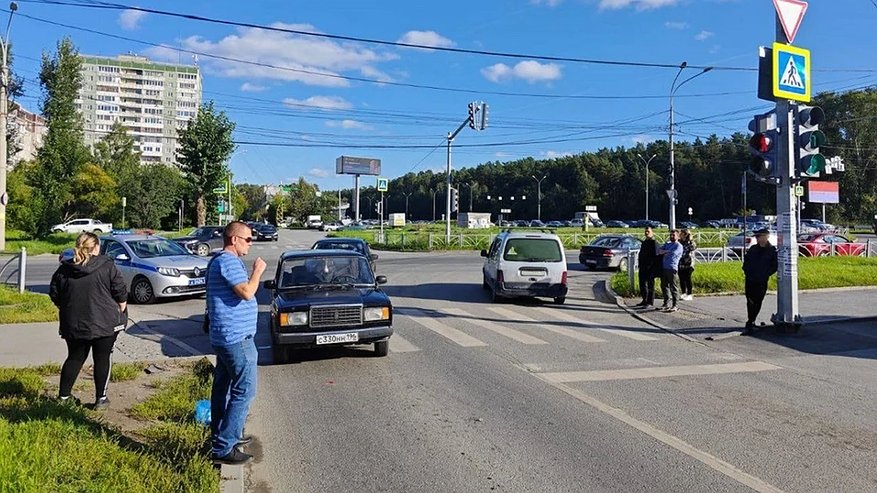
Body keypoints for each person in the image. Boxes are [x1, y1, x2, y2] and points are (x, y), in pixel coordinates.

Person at [207, 221, 267, 465]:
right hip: (236, 338)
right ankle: (224, 447)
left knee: (222, 386)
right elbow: (246, 292)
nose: (251, 244)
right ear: (234, 239)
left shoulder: (220, 261)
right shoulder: (228, 261)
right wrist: (258, 272)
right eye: (248, 239)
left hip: (227, 336)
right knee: (245, 389)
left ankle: (222, 434)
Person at [49, 232, 128, 410]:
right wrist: (122, 306)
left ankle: (63, 397)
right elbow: (120, 290)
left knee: (75, 357)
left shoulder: (64, 269)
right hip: (105, 322)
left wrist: (67, 308)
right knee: (102, 358)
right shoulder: (107, 266)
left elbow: (55, 294)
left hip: (74, 323)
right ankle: (101, 399)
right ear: (97, 247)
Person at [742, 228, 778, 335]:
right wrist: (747, 272)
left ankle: (751, 321)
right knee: (750, 301)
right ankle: (750, 321)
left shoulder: (771, 251)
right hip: (750, 279)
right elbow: (746, 262)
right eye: (757, 237)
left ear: (766, 237)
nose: (758, 239)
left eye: (760, 237)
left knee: (758, 301)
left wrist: (765, 274)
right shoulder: (753, 249)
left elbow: (774, 266)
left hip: (761, 280)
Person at [656, 229, 684, 312]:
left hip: (672, 268)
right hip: (664, 268)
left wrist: (664, 252)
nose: (671, 236)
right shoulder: (667, 244)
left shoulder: (678, 246)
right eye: (671, 235)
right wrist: (665, 251)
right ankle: (666, 303)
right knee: (664, 286)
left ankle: (675, 305)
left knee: (674, 287)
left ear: (678, 237)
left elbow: (672, 254)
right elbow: (658, 251)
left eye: (673, 235)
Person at [634, 227, 660, 308]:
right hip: (642, 267)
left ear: (652, 233)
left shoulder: (654, 242)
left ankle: (650, 302)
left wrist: (654, 267)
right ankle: (644, 300)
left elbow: (656, 256)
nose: (646, 233)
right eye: (645, 232)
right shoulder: (644, 242)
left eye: (648, 231)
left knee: (650, 286)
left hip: (650, 268)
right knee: (642, 284)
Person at [678, 229, 697, 301]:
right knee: (681, 279)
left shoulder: (690, 243)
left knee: (687, 279)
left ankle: (689, 294)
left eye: (681, 234)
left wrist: (690, 240)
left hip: (688, 263)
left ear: (685, 235)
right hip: (681, 263)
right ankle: (683, 293)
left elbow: (693, 248)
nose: (680, 235)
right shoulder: (680, 242)